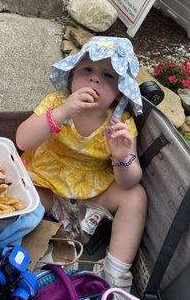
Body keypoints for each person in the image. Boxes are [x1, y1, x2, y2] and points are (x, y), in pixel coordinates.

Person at [16, 36, 147, 293]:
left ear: (120, 90)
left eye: (108, 75)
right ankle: (22, 245)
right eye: (87, 69)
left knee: (135, 196)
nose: (95, 79)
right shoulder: (55, 103)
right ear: (72, 75)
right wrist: (63, 112)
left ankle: (116, 273)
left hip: (91, 199)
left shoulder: (120, 124)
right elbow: (23, 140)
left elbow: (129, 180)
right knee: (16, 183)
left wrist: (123, 158)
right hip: (47, 190)